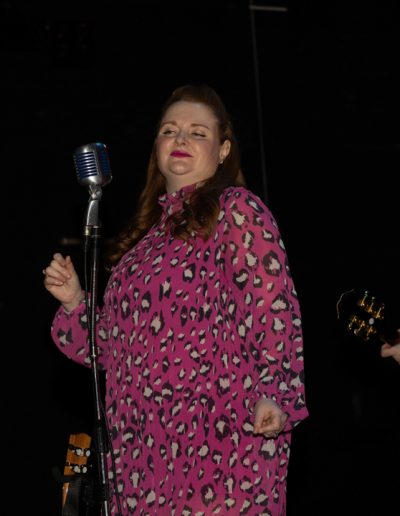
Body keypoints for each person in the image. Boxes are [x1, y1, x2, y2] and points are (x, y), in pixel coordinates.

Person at [43, 83, 308, 515]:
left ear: (223, 150)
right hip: (140, 454)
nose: (180, 138)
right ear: (157, 147)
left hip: (219, 444)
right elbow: (114, 351)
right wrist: (76, 302)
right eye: (169, 130)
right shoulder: (140, 247)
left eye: (197, 132)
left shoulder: (235, 209)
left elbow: (273, 308)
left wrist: (274, 391)